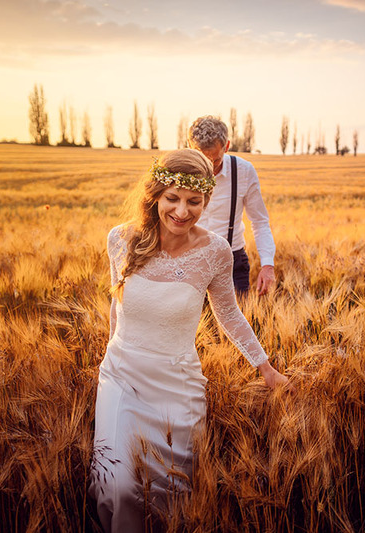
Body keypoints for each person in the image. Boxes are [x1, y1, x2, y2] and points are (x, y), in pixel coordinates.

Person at [89, 148, 289, 532]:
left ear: (205, 200)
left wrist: (265, 367)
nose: (182, 211)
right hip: (121, 377)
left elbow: (228, 314)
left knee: (171, 493)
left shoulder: (214, 252)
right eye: (173, 199)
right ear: (156, 197)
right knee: (119, 486)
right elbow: (117, 304)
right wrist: (109, 356)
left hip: (177, 386)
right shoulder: (120, 240)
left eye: (194, 201)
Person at [188, 116, 276, 296]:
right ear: (190, 148)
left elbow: (259, 221)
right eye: (202, 161)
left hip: (232, 261)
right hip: (187, 260)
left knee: (236, 321)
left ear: (226, 147)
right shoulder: (178, 170)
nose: (209, 170)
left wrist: (267, 264)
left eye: (215, 161)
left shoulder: (243, 171)